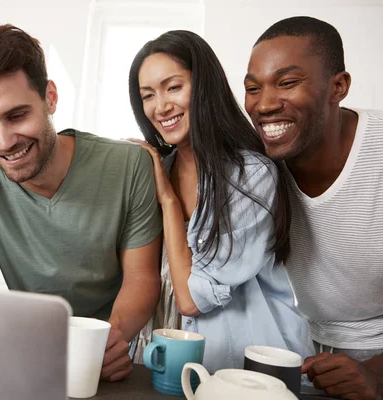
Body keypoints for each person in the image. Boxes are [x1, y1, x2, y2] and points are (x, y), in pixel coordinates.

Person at [0, 24, 163, 382]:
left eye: (16, 116)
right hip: (28, 353)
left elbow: (142, 279)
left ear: (50, 97)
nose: (4, 141)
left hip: (111, 350)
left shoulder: (129, 165)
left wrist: (98, 345)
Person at [127, 30, 313, 372]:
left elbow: (191, 299)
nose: (161, 106)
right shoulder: (154, 173)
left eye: (173, 87)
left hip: (245, 368)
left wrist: (168, 201)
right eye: (148, 95)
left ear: (204, 87)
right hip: (161, 360)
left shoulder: (251, 176)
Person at [244, 16, 383, 400]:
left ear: (338, 86)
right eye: (253, 88)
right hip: (305, 356)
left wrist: (376, 375)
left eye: (287, 82)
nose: (265, 104)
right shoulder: (255, 167)